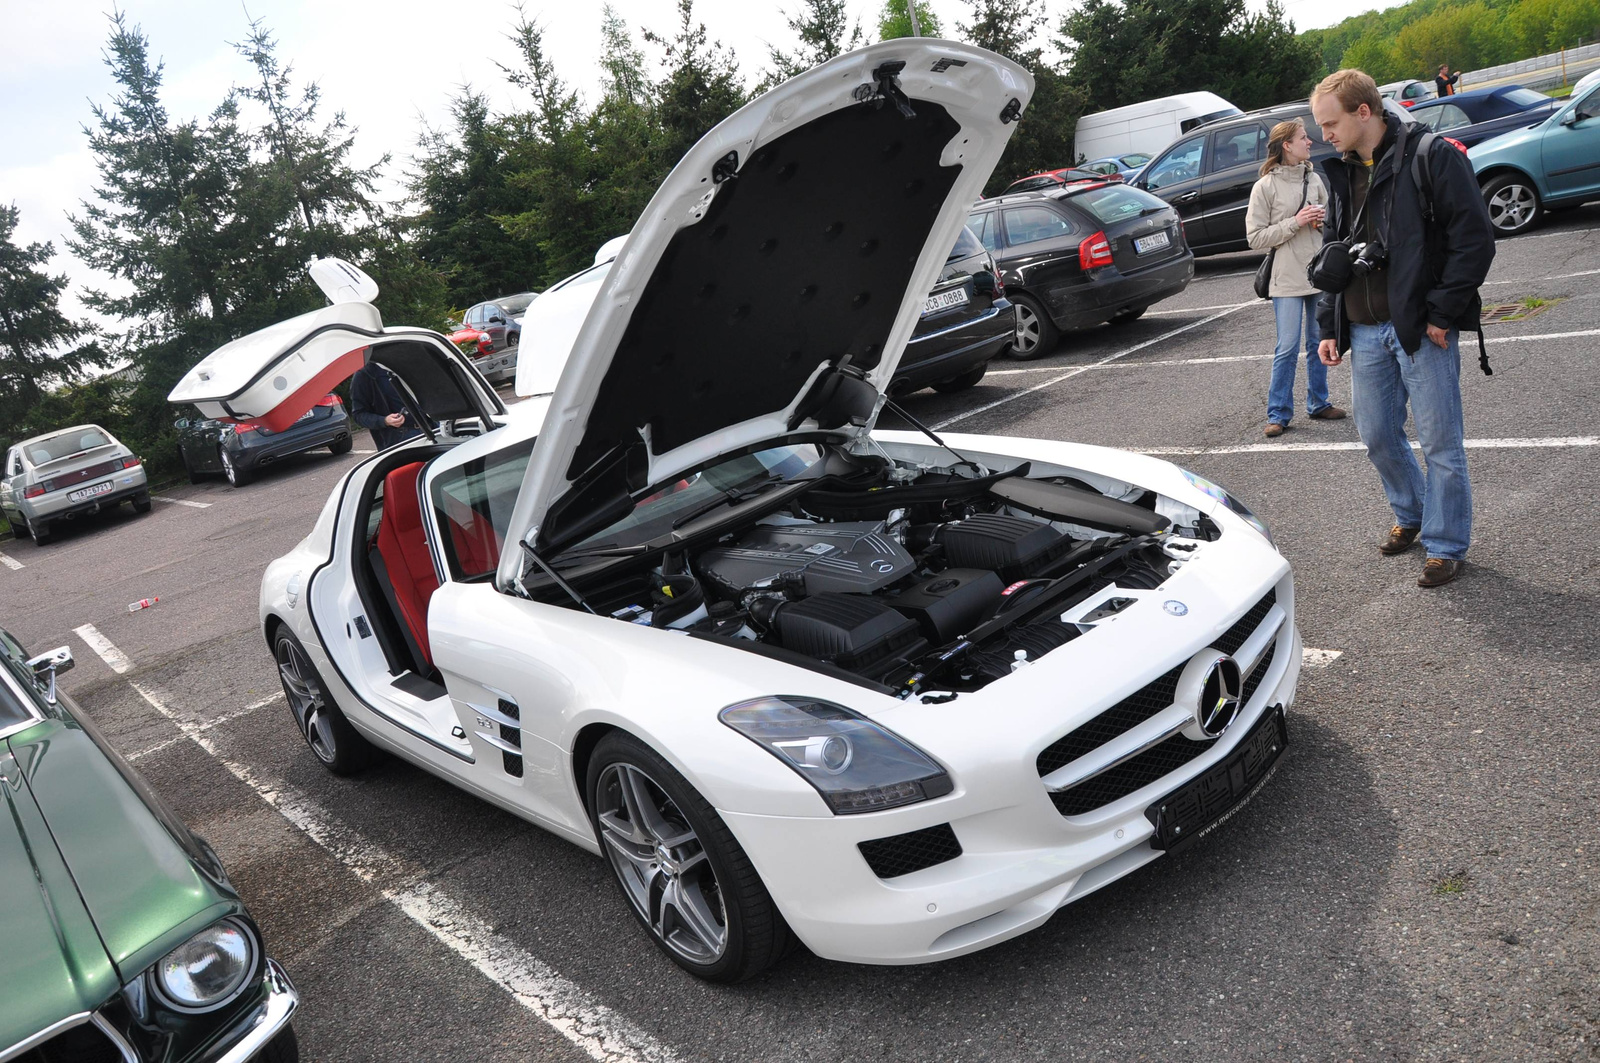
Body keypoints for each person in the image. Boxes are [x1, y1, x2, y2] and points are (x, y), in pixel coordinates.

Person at [1309, 69, 1496, 588]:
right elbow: (1334, 254)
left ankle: (1445, 544)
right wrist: (1331, 322)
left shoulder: (1433, 156)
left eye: (1330, 122)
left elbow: (1474, 240)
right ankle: (1412, 514)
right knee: (1376, 435)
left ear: (1363, 112)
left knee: (1441, 443)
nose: (1324, 134)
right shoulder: (1342, 171)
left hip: (1420, 328)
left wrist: (1442, 312)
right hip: (1364, 328)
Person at [1245, 118, 1345, 438]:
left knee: (1319, 342)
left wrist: (1321, 222)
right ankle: (1278, 413)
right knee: (1287, 347)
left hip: (1317, 273)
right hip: (1286, 278)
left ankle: (1319, 402)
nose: (1310, 142)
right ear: (1287, 145)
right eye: (1303, 138)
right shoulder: (1265, 187)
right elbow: (1255, 238)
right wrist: (1295, 221)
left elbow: (1331, 222)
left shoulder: (1314, 179)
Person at [349, 353, 424, 449]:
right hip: (401, 439)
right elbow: (358, 415)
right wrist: (384, 420)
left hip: (432, 428)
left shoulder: (409, 362)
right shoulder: (365, 374)